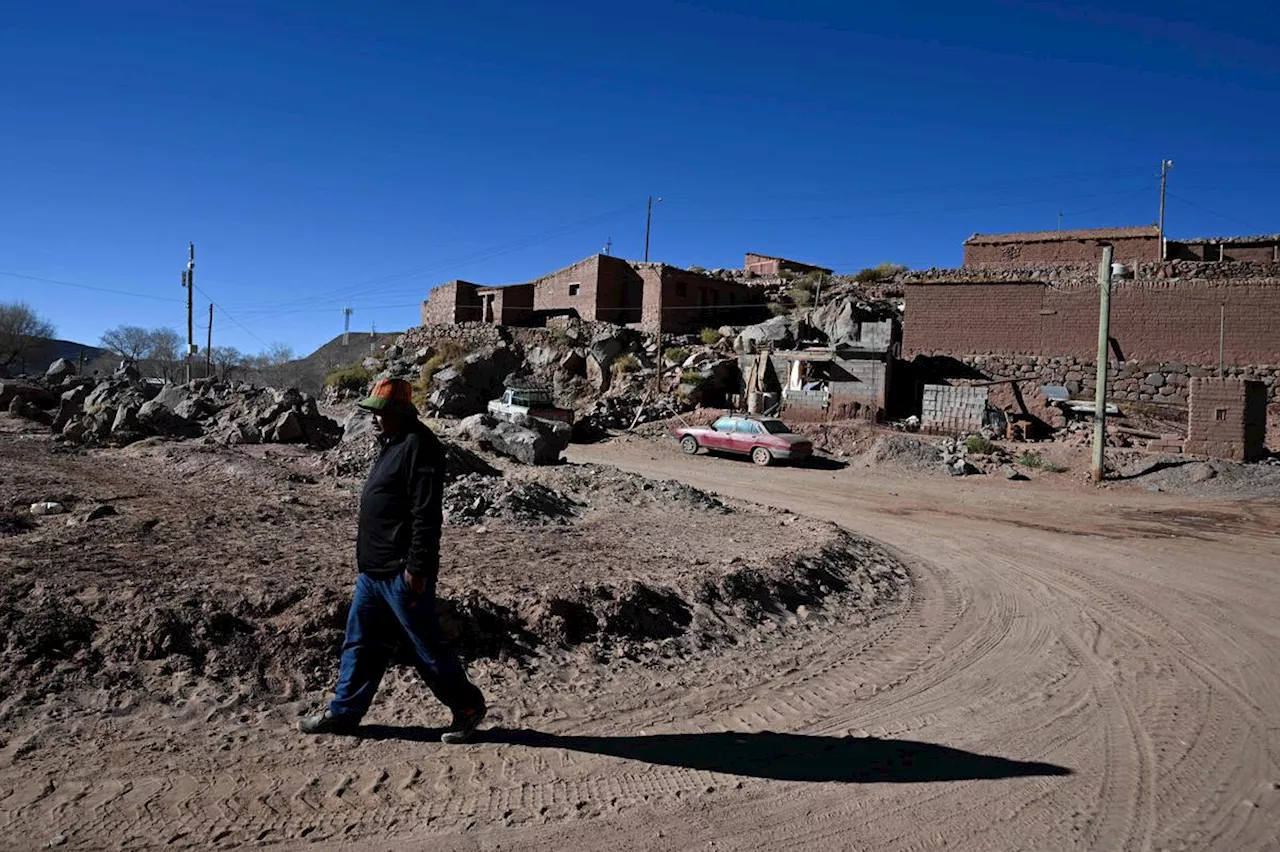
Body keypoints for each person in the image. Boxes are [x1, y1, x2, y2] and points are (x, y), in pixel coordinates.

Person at [299, 378, 486, 742]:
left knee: (425, 647)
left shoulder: (421, 446)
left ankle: (467, 708)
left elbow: (426, 515)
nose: (373, 419)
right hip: (373, 573)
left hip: (401, 573)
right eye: (371, 412)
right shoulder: (392, 443)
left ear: (399, 413)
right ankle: (344, 713)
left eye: (379, 413)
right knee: (360, 642)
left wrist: (417, 568)